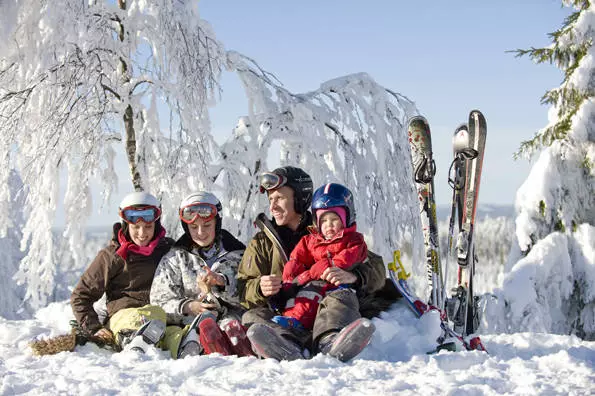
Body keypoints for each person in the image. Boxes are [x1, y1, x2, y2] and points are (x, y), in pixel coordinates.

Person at [237, 166, 387, 362]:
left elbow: (375, 268)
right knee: (252, 317)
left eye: (280, 198)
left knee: (340, 299)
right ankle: (286, 345)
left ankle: (330, 341)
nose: (272, 206)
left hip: (326, 312)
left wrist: (355, 276)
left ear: (300, 199)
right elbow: (242, 288)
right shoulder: (262, 243)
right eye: (270, 199)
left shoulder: (328, 229)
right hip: (288, 317)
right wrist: (259, 287)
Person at [150, 191, 252, 358]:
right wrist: (188, 306)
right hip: (190, 325)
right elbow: (158, 302)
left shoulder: (238, 254)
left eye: (206, 226)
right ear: (186, 227)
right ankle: (208, 345)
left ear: (216, 223)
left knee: (231, 325)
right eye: (193, 227)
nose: (200, 232)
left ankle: (241, 351)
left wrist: (222, 283)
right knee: (202, 326)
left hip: (232, 319)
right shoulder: (175, 258)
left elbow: (252, 295)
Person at [71, 191, 174, 354]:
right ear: (127, 225)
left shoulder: (168, 250)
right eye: (136, 227)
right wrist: (93, 328)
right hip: (124, 317)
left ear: (156, 224)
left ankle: (184, 346)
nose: (142, 233)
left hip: (163, 317)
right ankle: (134, 343)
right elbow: (80, 296)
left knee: (173, 333)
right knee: (139, 321)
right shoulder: (112, 256)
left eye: (148, 226)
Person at [272, 183, 368, 331]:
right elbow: (297, 259)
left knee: (317, 296)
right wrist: (291, 279)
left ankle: (317, 329)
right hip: (316, 281)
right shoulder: (311, 240)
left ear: (346, 218)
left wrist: (325, 265)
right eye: (323, 220)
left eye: (334, 219)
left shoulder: (353, 239)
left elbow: (348, 257)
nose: (328, 225)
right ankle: (291, 324)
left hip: (337, 283)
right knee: (298, 296)